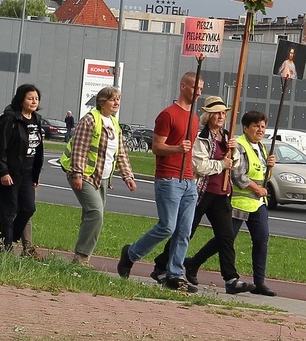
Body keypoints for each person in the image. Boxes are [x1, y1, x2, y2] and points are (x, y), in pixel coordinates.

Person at [150, 96, 254, 294]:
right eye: (217, 113)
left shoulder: (227, 137)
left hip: (222, 194)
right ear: (208, 115)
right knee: (185, 231)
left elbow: (237, 165)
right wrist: (222, 164)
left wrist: (233, 154)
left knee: (226, 236)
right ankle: (161, 265)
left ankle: (231, 279)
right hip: (201, 192)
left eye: (223, 113)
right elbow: (199, 165)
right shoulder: (201, 138)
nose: (221, 116)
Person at [118, 72, 203, 293]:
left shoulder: (194, 118)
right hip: (168, 178)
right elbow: (156, 147)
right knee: (167, 226)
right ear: (183, 86)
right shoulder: (168, 115)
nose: (198, 92)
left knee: (184, 231)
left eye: (201, 88)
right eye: (195, 87)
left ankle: (174, 273)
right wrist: (177, 148)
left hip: (188, 180)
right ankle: (131, 254)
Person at [184, 110, 277, 296]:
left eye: (263, 126)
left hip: (258, 203)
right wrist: (256, 189)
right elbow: (237, 175)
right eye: (256, 126)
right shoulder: (241, 145)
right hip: (238, 202)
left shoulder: (261, 147)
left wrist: (270, 167)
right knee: (224, 240)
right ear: (246, 128)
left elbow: (263, 176)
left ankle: (259, 282)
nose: (260, 130)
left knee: (261, 240)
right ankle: (193, 262)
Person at [60, 87, 137, 267]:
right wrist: (77, 173)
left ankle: (78, 259)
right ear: (102, 101)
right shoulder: (90, 119)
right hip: (84, 175)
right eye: (112, 99)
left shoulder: (114, 123)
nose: (116, 103)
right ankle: (81, 256)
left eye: (118, 99)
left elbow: (121, 153)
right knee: (96, 212)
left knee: (90, 215)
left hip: (102, 179)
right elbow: (79, 148)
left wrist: (128, 176)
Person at [0, 84, 44, 251]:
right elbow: (0, 147)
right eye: (30, 98)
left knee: (29, 208)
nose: (34, 101)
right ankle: (4, 247)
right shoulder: (11, 119)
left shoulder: (36, 119)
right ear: (21, 99)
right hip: (11, 172)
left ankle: (12, 237)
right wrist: (4, 171)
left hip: (28, 174)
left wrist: (35, 175)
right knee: (8, 212)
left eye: (36, 99)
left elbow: (38, 149)